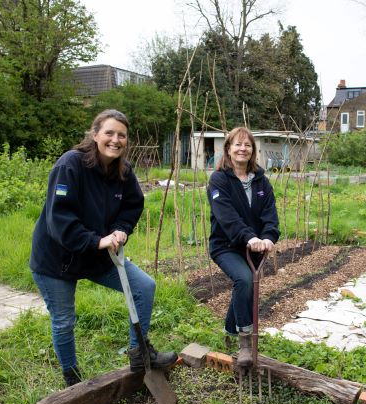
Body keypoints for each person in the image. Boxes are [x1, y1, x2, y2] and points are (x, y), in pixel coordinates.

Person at [29, 109, 177, 387]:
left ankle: (139, 352)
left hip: (98, 254)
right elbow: (59, 218)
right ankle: (71, 378)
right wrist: (97, 240)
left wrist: (120, 229)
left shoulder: (123, 170)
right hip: (57, 258)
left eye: (121, 135)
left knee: (144, 287)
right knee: (64, 320)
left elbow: (133, 205)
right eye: (109, 133)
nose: (115, 140)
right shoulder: (70, 165)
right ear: (95, 134)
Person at [207, 127, 280, 368]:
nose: (242, 149)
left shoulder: (261, 181)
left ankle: (229, 330)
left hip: (254, 248)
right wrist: (248, 237)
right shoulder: (219, 180)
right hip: (226, 245)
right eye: (237, 144)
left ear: (252, 150)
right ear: (228, 149)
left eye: (247, 145)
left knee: (244, 285)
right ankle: (245, 341)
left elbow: (271, 213)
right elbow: (226, 217)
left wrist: (269, 236)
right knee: (245, 280)